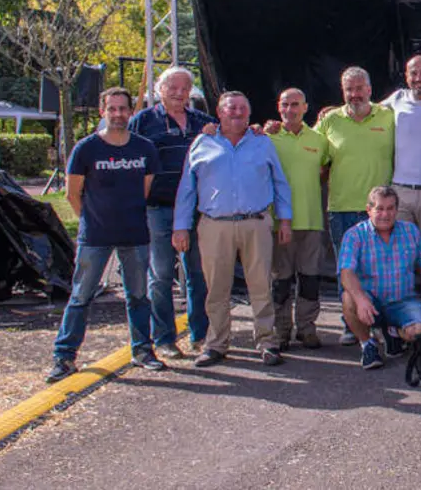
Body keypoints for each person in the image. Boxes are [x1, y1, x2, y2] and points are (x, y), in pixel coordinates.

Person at [47, 88, 165, 382]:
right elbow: (73, 193)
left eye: (123, 109)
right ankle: (64, 357)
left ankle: (142, 351)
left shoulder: (144, 149)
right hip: (95, 237)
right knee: (80, 297)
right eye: (112, 109)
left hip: (135, 234)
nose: (118, 114)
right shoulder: (86, 149)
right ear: (103, 112)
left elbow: (145, 190)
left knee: (138, 296)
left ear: (130, 112)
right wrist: (91, 220)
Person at [174, 92, 293, 368]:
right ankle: (216, 344)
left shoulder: (262, 143)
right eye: (231, 108)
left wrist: (284, 219)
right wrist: (181, 226)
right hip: (215, 225)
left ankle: (267, 341)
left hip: (256, 223)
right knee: (216, 288)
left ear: (250, 114)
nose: (236, 113)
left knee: (261, 285)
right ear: (219, 111)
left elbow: (280, 184)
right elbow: (187, 189)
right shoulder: (203, 142)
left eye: (242, 109)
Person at [128, 66, 215, 359]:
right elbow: (129, 157)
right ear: (159, 90)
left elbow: (228, 141)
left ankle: (200, 335)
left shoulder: (203, 122)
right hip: (158, 208)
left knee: (198, 275)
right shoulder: (142, 121)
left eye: (184, 88)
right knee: (161, 275)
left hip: (195, 211)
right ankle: (164, 338)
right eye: (172, 88)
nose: (179, 93)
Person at [315, 66, 396, 346]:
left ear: (370, 90)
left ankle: (383, 323)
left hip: (380, 210)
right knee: (346, 269)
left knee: (381, 269)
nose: (355, 94)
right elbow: (312, 151)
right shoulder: (330, 120)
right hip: (342, 208)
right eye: (349, 89)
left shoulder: (388, 116)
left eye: (360, 88)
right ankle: (350, 325)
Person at [340, 186, 421, 370]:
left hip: (402, 302)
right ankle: (368, 345)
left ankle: (393, 332)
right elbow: (346, 273)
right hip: (370, 303)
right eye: (379, 208)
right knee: (348, 298)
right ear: (369, 210)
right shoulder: (355, 235)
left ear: (397, 210)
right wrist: (361, 299)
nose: (385, 214)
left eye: (390, 208)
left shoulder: (411, 231)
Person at [268, 88, 330, 351]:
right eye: (285, 104)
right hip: (278, 222)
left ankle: (306, 329)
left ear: (306, 107)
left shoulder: (319, 140)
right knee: (281, 280)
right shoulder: (267, 138)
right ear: (278, 107)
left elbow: (324, 170)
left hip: (312, 220)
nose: (290, 109)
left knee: (310, 278)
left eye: (295, 104)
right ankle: (281, 331)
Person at [381, 55, 421, 248]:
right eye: (413, 73)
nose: (418, 78)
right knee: (401, 252)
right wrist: (335, 110)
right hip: (400, 191)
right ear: (406, 76)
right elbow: (367, 111)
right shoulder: (397, 98)